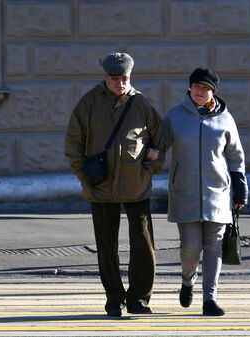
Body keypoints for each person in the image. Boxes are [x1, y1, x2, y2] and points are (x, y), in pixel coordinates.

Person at [64, 52, 162, 317]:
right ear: (105, 76)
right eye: (115, 78)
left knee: (143, 244)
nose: (120, 83)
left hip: (136, 185)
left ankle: (139, 299)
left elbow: (160, 138)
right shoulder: (89, 103)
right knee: (107, 247)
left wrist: (149, 168)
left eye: (125, 78)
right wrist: (84, 176)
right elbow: (73, 143)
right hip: (101, 186)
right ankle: (114, 299)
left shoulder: (141, 103)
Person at [161, 68, 247, 316]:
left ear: (213, 92)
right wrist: (149, 156)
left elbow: (235, 156)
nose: (200, 91)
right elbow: (160, 143)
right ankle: (188, 281)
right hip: (184, 192)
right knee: (190, 248)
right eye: (196, 87)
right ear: (190, 88)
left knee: (214, 247)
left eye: (205, 88)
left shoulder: (225, 119)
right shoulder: (174, 115)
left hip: (218, 193)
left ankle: (210, 299)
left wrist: (240, 187)